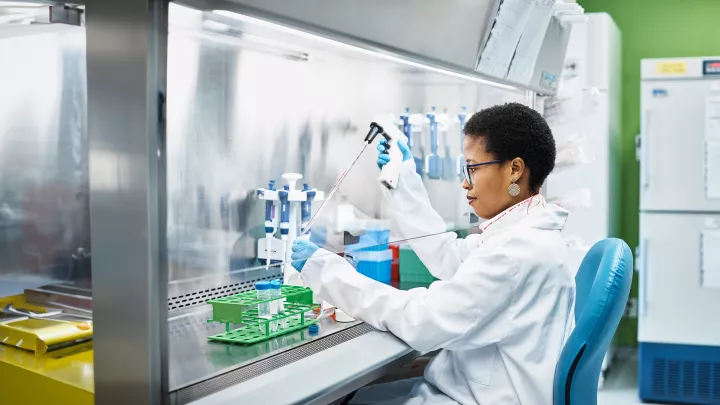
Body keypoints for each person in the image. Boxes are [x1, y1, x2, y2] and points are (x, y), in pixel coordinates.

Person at [291, 102, 576, 405]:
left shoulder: (516, 253)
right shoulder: (523, 235)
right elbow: (450, 256)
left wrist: (327, 272)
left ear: (514, 169)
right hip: (479, 388)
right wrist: (403, 183)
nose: (466, 182)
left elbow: (422, 320)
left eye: (473, 168)